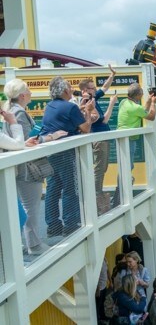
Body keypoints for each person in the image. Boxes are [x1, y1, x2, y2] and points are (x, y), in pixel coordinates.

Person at [2, 79, 65, 254]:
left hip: (17, 167)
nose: (30, 93)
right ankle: (34, 245)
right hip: (27, 168)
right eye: (28, 91)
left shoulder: (10, 111)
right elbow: (25, 142)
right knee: (31, 207)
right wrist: (51, 137)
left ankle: (24, 243)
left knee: (22, 207)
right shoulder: (19, 114)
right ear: (22, 95)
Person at [41, 77, 95, 237]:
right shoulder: (70, 107)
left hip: (50, 151)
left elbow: (63, 120)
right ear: (65, 91)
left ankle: (52, 225)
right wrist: (89, 111)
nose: (72, 90)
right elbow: (85, 128)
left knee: (53, 188)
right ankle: (71, 224)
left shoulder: (50, 106)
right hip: (65, 152)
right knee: (70, 188)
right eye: (70, 88)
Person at [78, 64, 117, 212]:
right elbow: (104, 119)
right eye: (91, 88)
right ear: (85, 90)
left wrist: (112, 75)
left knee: (103, 167)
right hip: (98, 139)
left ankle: (98, 192)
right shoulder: (88, 103)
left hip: (103, 138)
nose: (95, 89)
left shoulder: (94, 98)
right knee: (99, 168)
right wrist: (112, 104)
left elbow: (105, 88)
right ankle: (96, 193)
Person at [117, 82, 156, 169]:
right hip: (129, 138)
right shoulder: (136, 108)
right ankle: (125, 182)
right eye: (142, 93)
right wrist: (153, 103)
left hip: (121, 137)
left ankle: (123, 182)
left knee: (124, 165)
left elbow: (141, 112)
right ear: (137, 95)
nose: (143, 94)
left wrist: (148, 100)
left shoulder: (124, 102)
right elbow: (151, 117)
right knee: (128, 166)